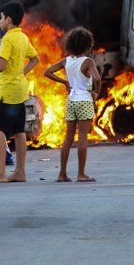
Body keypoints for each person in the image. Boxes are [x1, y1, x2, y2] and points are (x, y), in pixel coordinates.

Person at [0, 2, 38, 183]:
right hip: (20, 89)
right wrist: (22, 72)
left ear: (9, 19)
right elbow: (35, 59)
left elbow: (1, 66)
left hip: (7, 91)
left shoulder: (7, 39)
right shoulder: (23, 37)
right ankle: (20, 172)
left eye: (1, 17)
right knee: (19, 131)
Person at [44, 27, 101, 183]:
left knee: (68, 138)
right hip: (84, 100)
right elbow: (97, 79)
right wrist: (96, 92)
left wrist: (64, 82)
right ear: (87, 45)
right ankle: (81, 174)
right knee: (82, 137)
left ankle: (62, 174)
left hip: (71, 101)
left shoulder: (66, 61)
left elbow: (47, 72)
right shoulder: (88, 61)